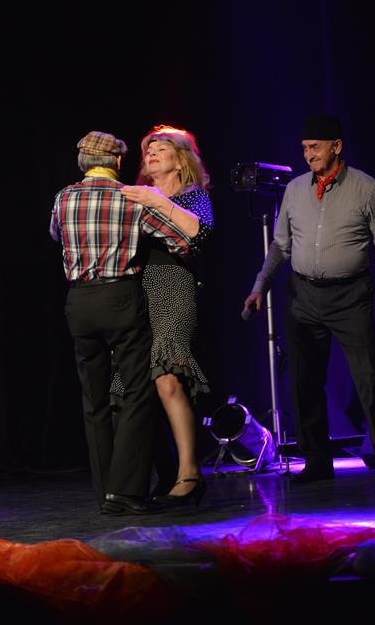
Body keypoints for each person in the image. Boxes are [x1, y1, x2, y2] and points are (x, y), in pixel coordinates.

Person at [243, 114, 375, 483]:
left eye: (315, 147)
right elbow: (281, 246)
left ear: (337, 147)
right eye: (305, 148)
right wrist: (260, 286)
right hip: (304, 296)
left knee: (368, 377)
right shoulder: (295, 190)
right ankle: (317, 462)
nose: (309, 155)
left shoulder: (365, 187)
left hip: (350, 296)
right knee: (303, 381)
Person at [50, 130, 195, 515]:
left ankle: (105, 494)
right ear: (116, 161)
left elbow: (56, 235)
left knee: (94, 400)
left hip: (79, 300)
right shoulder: (130, 196)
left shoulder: (64, 197)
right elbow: (182, 239)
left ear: (82, 163)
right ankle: (126, 492)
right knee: (136, 392)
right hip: (120, 297)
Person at [111, 124, 214, 506]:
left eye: (161, 148)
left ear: (181, 159)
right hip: (134, 291)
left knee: (169, 379)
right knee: (130, 388)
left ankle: (190, 474)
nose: (151, 154)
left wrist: (158, 201)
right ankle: (166, 471)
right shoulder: (135, 197)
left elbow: (200, 233)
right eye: (148, 150)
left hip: (172, 284)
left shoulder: (193, 196)